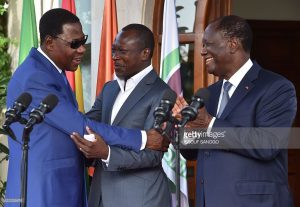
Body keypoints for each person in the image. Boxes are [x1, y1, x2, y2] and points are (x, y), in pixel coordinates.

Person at [5, 9, 168, 207]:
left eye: (83, 40)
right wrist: (142, 138)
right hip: (45, 189)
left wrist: (103, 151)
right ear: (49, 43)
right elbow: (80, 125)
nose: (82, 49)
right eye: (75, 44)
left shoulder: (53, 70)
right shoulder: (35, 76)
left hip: (77, 188)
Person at [174, 15, 297, 207]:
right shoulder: (208, 94)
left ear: (232, 44)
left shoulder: (276, 88)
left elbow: (268, 144)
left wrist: (210, 124)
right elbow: (192, 153)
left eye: (208, 44)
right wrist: (185, 128)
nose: (202, 51)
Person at [70, 24, 171, 207]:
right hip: (99, 195)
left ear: (145, 54)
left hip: (139, 198)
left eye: (122, 51)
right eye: (113, 51)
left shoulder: (162, 93)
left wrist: (107, 152)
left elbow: (152, 155)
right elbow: (86, 125)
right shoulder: (110, 88)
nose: (115, 57)